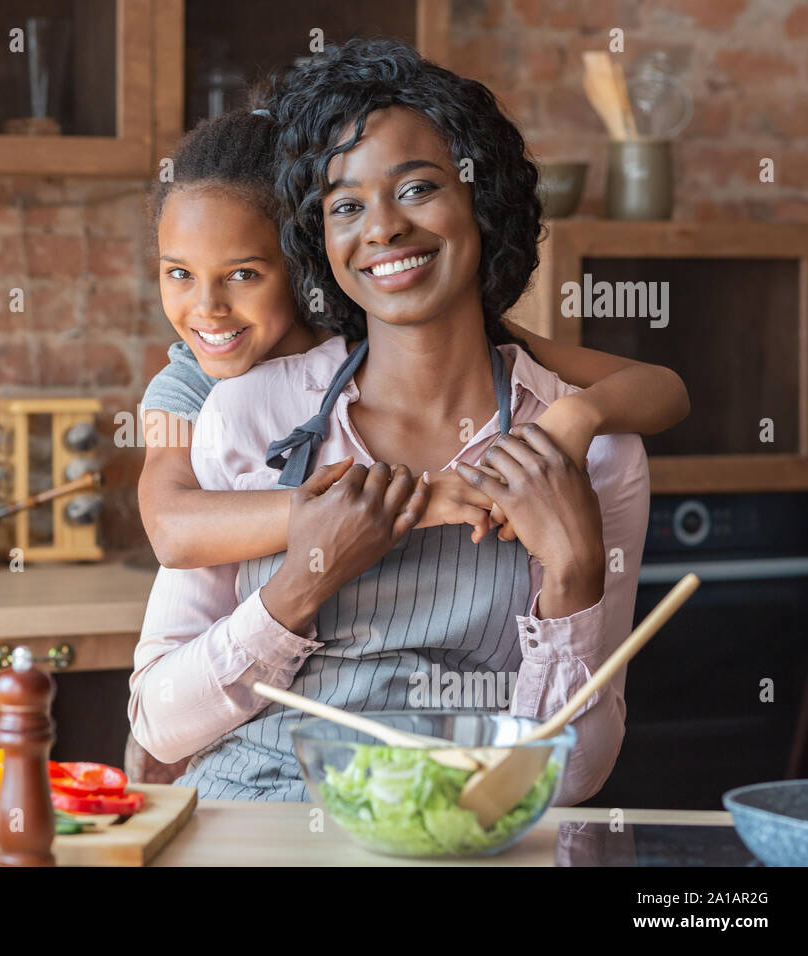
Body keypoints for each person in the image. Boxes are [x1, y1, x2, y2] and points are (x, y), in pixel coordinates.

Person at [129, 40, 657, 806]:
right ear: (320, 240)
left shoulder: (591, 449)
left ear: (484, 196)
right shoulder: (245, 409)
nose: (381, 228)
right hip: (254, 827)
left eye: (416, 189)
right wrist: (303, 584)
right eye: (345, 204)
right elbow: (157, 725)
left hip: (464, 835)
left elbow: (570, 783)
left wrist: (575, 582)